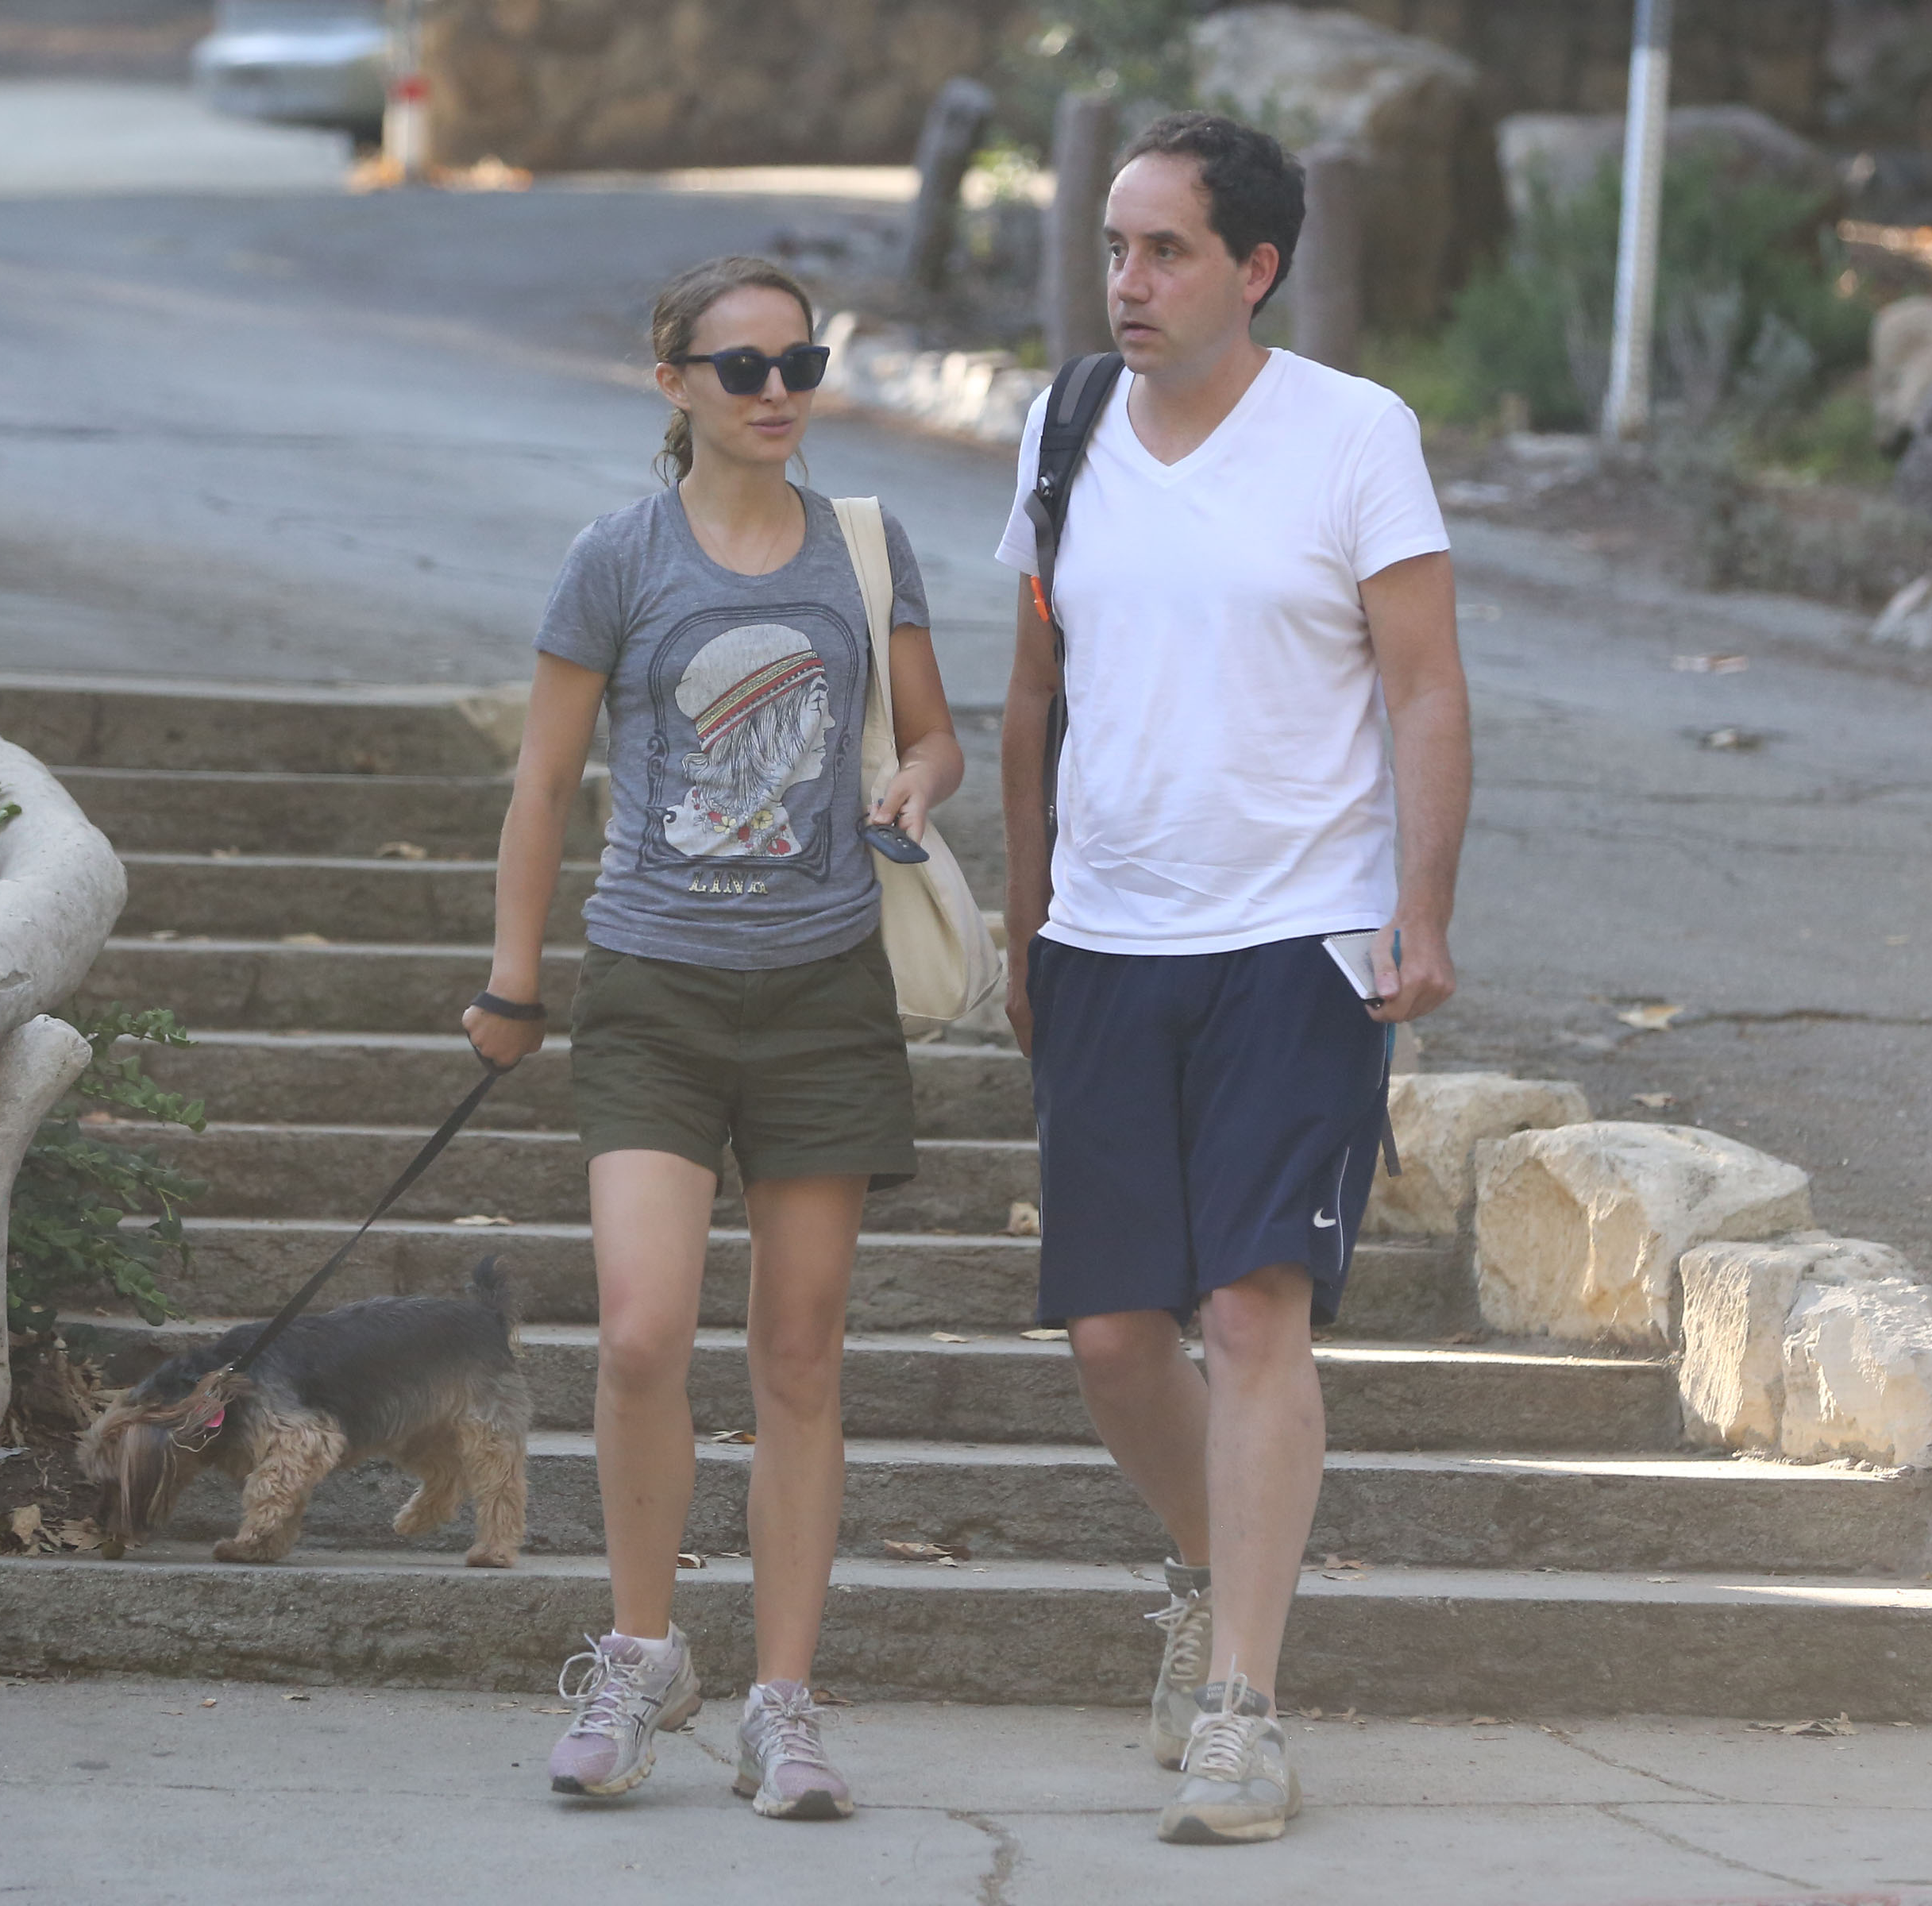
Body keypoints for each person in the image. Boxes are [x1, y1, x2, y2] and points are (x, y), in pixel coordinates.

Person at [992, 113, 1471, 1846]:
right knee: (1118, 1337)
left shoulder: (1355, 436)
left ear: (1255, 269)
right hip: (1109, 936)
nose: (1126, 280)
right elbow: (1032, 694)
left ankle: (1243, 1708)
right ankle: (1205, 1568)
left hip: (1300, 938)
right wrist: (1025, 915)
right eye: (1116, 247)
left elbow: (1423, 687)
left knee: (1254, 1311)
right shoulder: (1067, 424)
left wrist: (1422, 906)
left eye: (1167, 250)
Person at [463, 254, 963, 1822]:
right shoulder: (617, 559)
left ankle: (784, 1704)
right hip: (656, 993)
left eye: (798, 364)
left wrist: (921, 785)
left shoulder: (866, 552)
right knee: (638, 1331)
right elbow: (543, 784)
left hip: (822, 997)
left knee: (802, 1353)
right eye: (739, 368)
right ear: (670, 382)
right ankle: (637, 1648)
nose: (774, 394)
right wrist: (511, 980)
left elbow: (942, 731)